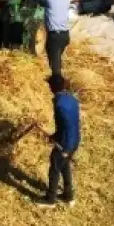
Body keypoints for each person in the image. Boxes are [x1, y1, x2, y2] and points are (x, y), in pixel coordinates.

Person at [37, 74, 81, 208]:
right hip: (75, 139)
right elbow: (69, 124)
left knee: (55, 168)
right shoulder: (72, 99)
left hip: (66, 143)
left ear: (52, 87)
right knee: (64, 165)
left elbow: (66, 126)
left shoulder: (59, 104)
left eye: (49, 85)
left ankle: (50, 200)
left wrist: (65, 149)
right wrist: (55, 136)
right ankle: (68, 196)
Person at [25, 0, 72, 77]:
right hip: (65, 36)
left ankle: (57, 85)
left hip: (55, 36)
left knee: (55, 66)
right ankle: (56, 79)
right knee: (56, 59)